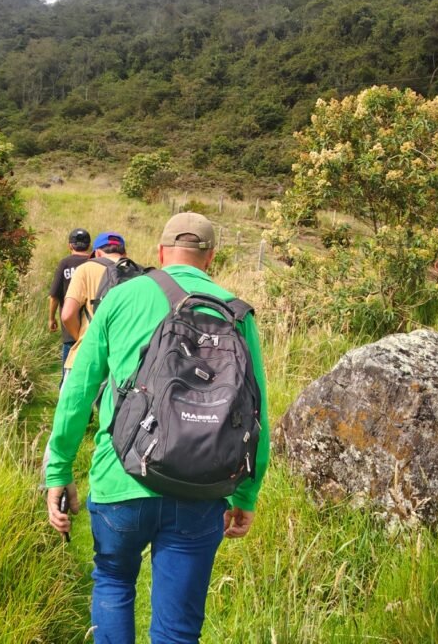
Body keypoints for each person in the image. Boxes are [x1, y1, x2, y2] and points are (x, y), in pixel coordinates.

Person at [45, 213, 270, 644]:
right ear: (210, 257)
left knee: (113, 581)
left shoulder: (121, 298)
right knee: (177, 630)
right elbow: (256, 408)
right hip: (201, 488)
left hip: (121, 478)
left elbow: (78, 391)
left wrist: (58, 469)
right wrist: (246, 493)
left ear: (162, 252)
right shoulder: (236, 312)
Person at [60, 231, 129, 378]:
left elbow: (67, 315)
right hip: (124, 359)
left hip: (87, 357)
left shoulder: (86, 269)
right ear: (125, 254)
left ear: (97, 253)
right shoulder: (137, 273)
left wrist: (81, 337)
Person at [48, 228, 91, 371]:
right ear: (89, 245)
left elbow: (54, 296)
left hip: (70, 329)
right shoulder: (94, 263)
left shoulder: (65, 264)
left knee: (68, 372)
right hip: (91, 329)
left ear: (70, 245)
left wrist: (51, 318)